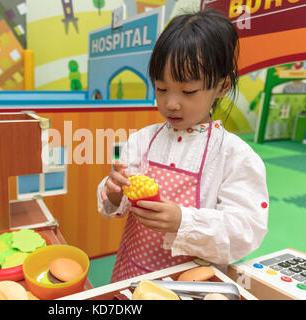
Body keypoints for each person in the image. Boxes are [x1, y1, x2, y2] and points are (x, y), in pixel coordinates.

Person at [97, 9, 269, 283]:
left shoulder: (235, 156)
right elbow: (111, 196)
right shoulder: (140, 140)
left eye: (187, 91)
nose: (171, 103)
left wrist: (183, 222)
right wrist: (113, 191)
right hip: (131, 271)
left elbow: (246, 230)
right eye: (162, 89)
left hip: (191, 284)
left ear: (222, 86)